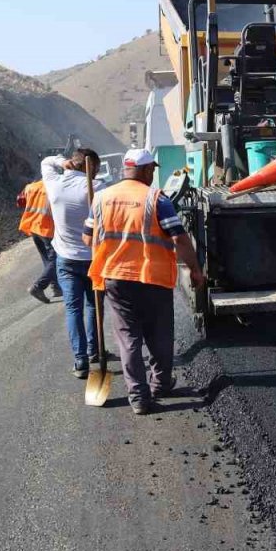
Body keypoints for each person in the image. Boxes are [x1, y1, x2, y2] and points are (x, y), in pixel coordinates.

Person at [84, 149, 205, 415]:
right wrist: (195, 270)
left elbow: (87, 238)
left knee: (128, 338)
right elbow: (179, 238)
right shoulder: (156, 199)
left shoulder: (101, 197)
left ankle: (138, 397)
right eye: (152, 169)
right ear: (147, 169)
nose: (152, 174)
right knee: (159, 334)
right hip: (152, 278)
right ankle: (160, 384)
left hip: (116, 278)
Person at [42, 147, 103, 377]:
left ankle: (81, 360)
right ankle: (94, 350)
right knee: (93, 305)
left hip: (66, 259)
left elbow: (46, 162)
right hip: (92, 258)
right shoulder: (96, 188)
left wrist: (61, 161)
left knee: (73, 308)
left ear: (72, 163)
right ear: (93, 168)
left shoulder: (54, 184)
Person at [16, 178, 61, 303]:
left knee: (48, 260)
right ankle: (38, 287)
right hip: (46, 228)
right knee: (56, 259)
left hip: (33, 226)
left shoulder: (30, 186)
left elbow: (20, 201)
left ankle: (56, 287)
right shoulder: (54, 187)